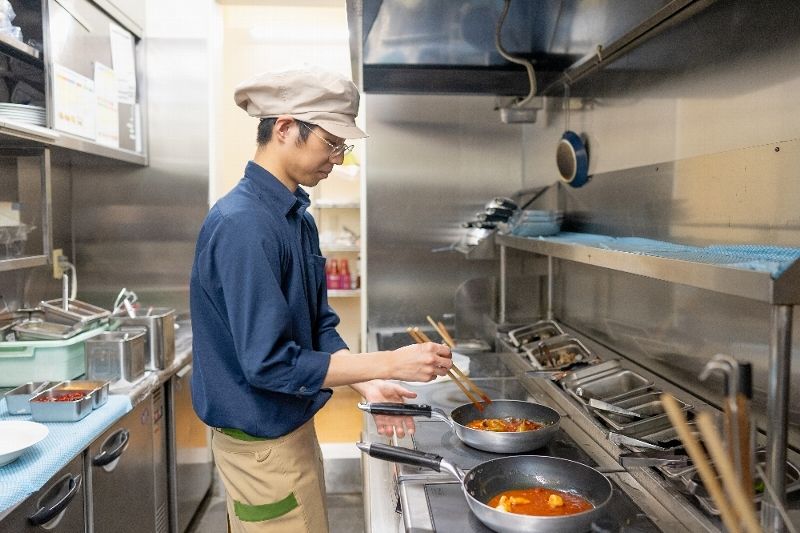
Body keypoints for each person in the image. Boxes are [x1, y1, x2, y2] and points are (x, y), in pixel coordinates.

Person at [189, 68, 452, 533]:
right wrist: (389, 362)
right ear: (285, 128)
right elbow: (269, 365)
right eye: (331, 143)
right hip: (261, 449)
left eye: (342, 146)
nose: (337, 158)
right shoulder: (243, 224)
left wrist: (367, 383)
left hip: (290, 433)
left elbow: (319, 326)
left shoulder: (297, 217)